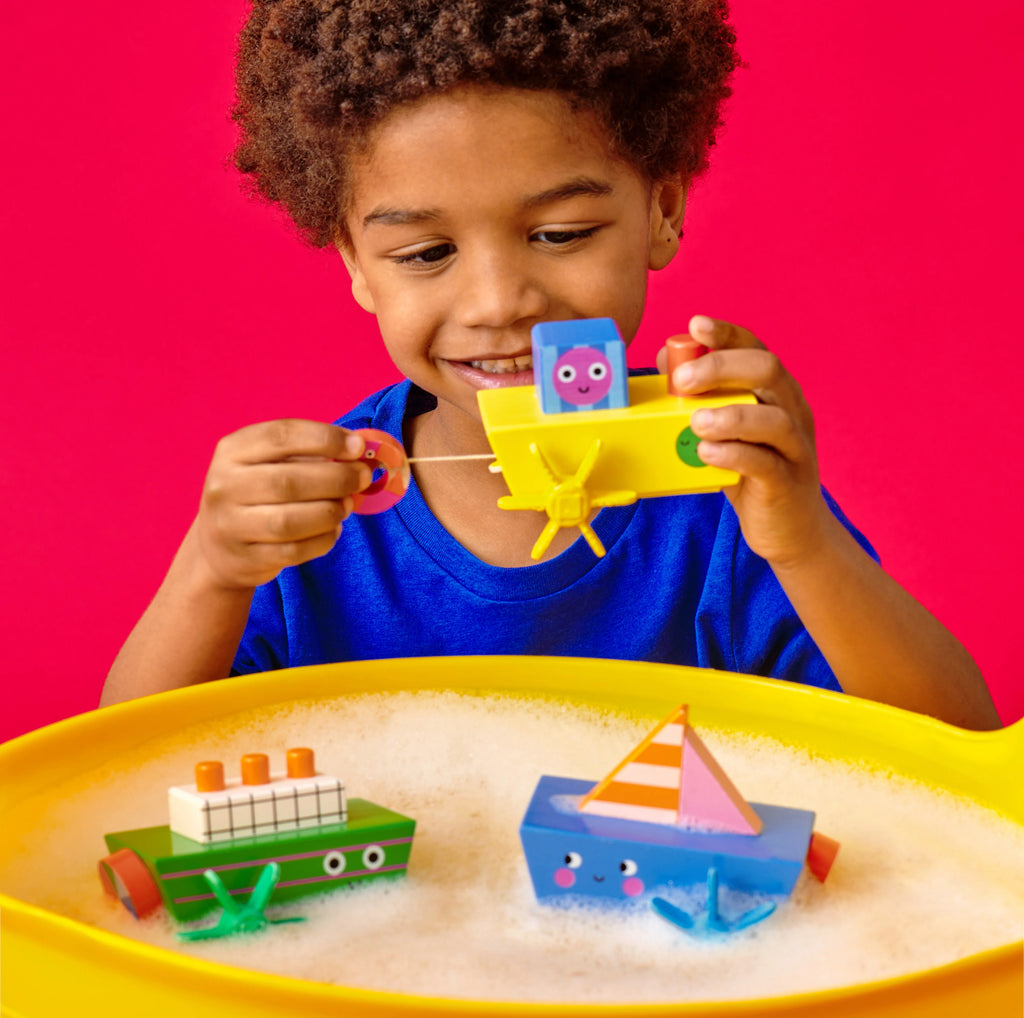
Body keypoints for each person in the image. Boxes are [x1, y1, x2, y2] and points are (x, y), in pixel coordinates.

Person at [101, 0, 1000, 730]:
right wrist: (210, 571)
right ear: (356, 265)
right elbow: (125, 771)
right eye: (425, 254)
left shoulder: (723, 494)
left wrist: (801, 540)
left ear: (662, 211)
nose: (499, 303)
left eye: (560, 234)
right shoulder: (311, 528)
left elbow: (956, 745)